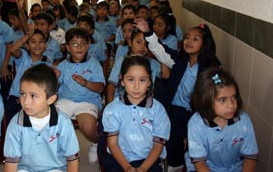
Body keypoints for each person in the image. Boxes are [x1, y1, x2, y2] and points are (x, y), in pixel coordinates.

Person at [136, 20, 220, 169]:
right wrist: (147, 32)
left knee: (194, 144)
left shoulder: (211, 66)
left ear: (205, 44)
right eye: (187, 37)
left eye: (195, 39)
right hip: (174, 108)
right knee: (171, 139)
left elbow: (216, 89)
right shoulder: (179, 61)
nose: (188, 41)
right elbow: (159, 50)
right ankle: (173, 165)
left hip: (197, 112)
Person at [4, 64, 80, 171]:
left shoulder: (63, 122)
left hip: (55, 169)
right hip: (26, 169)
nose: (26, 101)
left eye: (33, 96)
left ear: (51, 99)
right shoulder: (16, 123)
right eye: (22, 94)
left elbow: (72, 158)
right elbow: (11, 162)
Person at [101, 56, 170, 172]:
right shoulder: (112, 109)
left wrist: (143, 168)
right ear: (122, 80)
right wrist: (127, 168)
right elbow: (112, 144)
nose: (136, 86)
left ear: (149, 82)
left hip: (148, 160)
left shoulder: (158, 110)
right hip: (118, 158)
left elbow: (158, 145)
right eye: (131, 79)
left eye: (142, 80)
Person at [186, 68, 258, 172]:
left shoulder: (243, 121)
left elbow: (250, 157)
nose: (231, 105)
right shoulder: (196, 124)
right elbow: (199, 163)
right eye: (223, 100)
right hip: (205, 167)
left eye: (234, 97)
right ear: (206, 100)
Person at [55, 28, 105, 164]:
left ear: (88, 46)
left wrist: (86, 83)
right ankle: (59, 150)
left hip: (87, 101)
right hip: (65, 100)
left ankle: (96, 143)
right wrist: (55, 78)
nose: (79, 47)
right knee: (52, 123)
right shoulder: (62, 65)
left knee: (88, 129)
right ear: (68, 48)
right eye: (74, 44)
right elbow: (55, 87)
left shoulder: (94, 64)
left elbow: (100, 88)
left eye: (83, 43)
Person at [4, 25, 51, 124]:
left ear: (45, 45)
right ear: (27, 46)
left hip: (33, 98)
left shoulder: (46, 63)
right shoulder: (23, 56)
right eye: (33, 41)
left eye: (41, 41)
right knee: (13, 123)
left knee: (31, 123)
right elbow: (12, 50)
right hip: (15, 96)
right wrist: (27, 35)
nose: (37, 45)